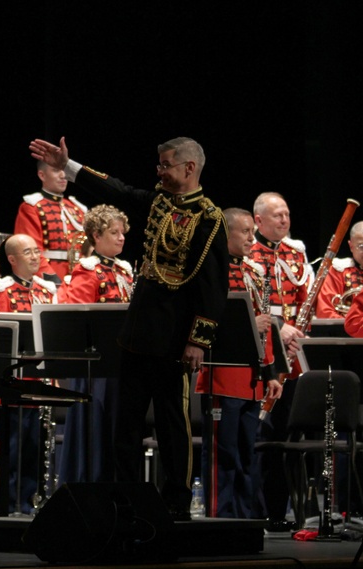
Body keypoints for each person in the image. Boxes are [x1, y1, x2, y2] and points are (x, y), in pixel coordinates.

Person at [30, 135, 229, 520]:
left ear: (189, 168)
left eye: (166, 165)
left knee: (174, 426)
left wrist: (197, 342)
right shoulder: (157, 202)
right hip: (139, 332)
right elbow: (115, 189)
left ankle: (176, 503)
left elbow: (212, 288)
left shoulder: (209, 218)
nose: (159, 172)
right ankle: (128, 499)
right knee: (126, 427)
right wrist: (68, 166)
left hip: (174, 339)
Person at [196, 208, 282, 518]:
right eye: (244, 232)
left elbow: (265, 330)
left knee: (248, 455)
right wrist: (250, 324)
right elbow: (209, 322)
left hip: (252, 378)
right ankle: (221, 518)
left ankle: (245, 520)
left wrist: (271, 371)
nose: (251, 237)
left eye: (251, 231)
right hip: (223, 375)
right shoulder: (211, 272)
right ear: (226, 235)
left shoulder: (255, 273)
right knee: (224, 454)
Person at [56, 204, 132, 485]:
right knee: (95, 428)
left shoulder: (123, 270)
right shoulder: (87, 270)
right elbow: (78, 316)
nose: (121, 238)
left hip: (119, 361)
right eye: (114, 233)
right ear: (96, 236)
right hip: (95, 366)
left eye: (122, 232)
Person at [248, 191, 311, 531]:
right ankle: (256, 509)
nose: (285, 221)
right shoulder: (250, 254)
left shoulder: (294, 254)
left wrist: (297, 333)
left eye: (286, 214)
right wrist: (279, 330)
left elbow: (305, 303)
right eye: (277, 216)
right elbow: (252, 304)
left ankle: (279, 510)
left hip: (292, 356)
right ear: (259, 220)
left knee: (288, 435)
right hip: (264, 356)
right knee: (262, 435)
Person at [0, 233, 57, 513]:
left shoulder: (45, 290)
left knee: (34, 447)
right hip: (14, 383)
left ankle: (28, 500)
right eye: (27, 252)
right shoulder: (1, 290)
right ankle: (5, 500)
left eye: (36, 250)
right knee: (12, 447)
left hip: (39, 380)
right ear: (12, 260)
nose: (34, 256)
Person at [14, 159, 88, 281]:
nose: (63, 175)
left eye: (64, 170)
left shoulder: (78, 209)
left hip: (78, 277)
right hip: (47, 277)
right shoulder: (31, 207)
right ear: (42, 175)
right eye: (56, 170)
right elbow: (28, 250)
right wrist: (50, 278)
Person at [315, 221, 363, 318]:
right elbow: (325, 312)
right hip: (348, 332)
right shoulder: (339, 271)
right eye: (362, 246)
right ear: (351, 246)